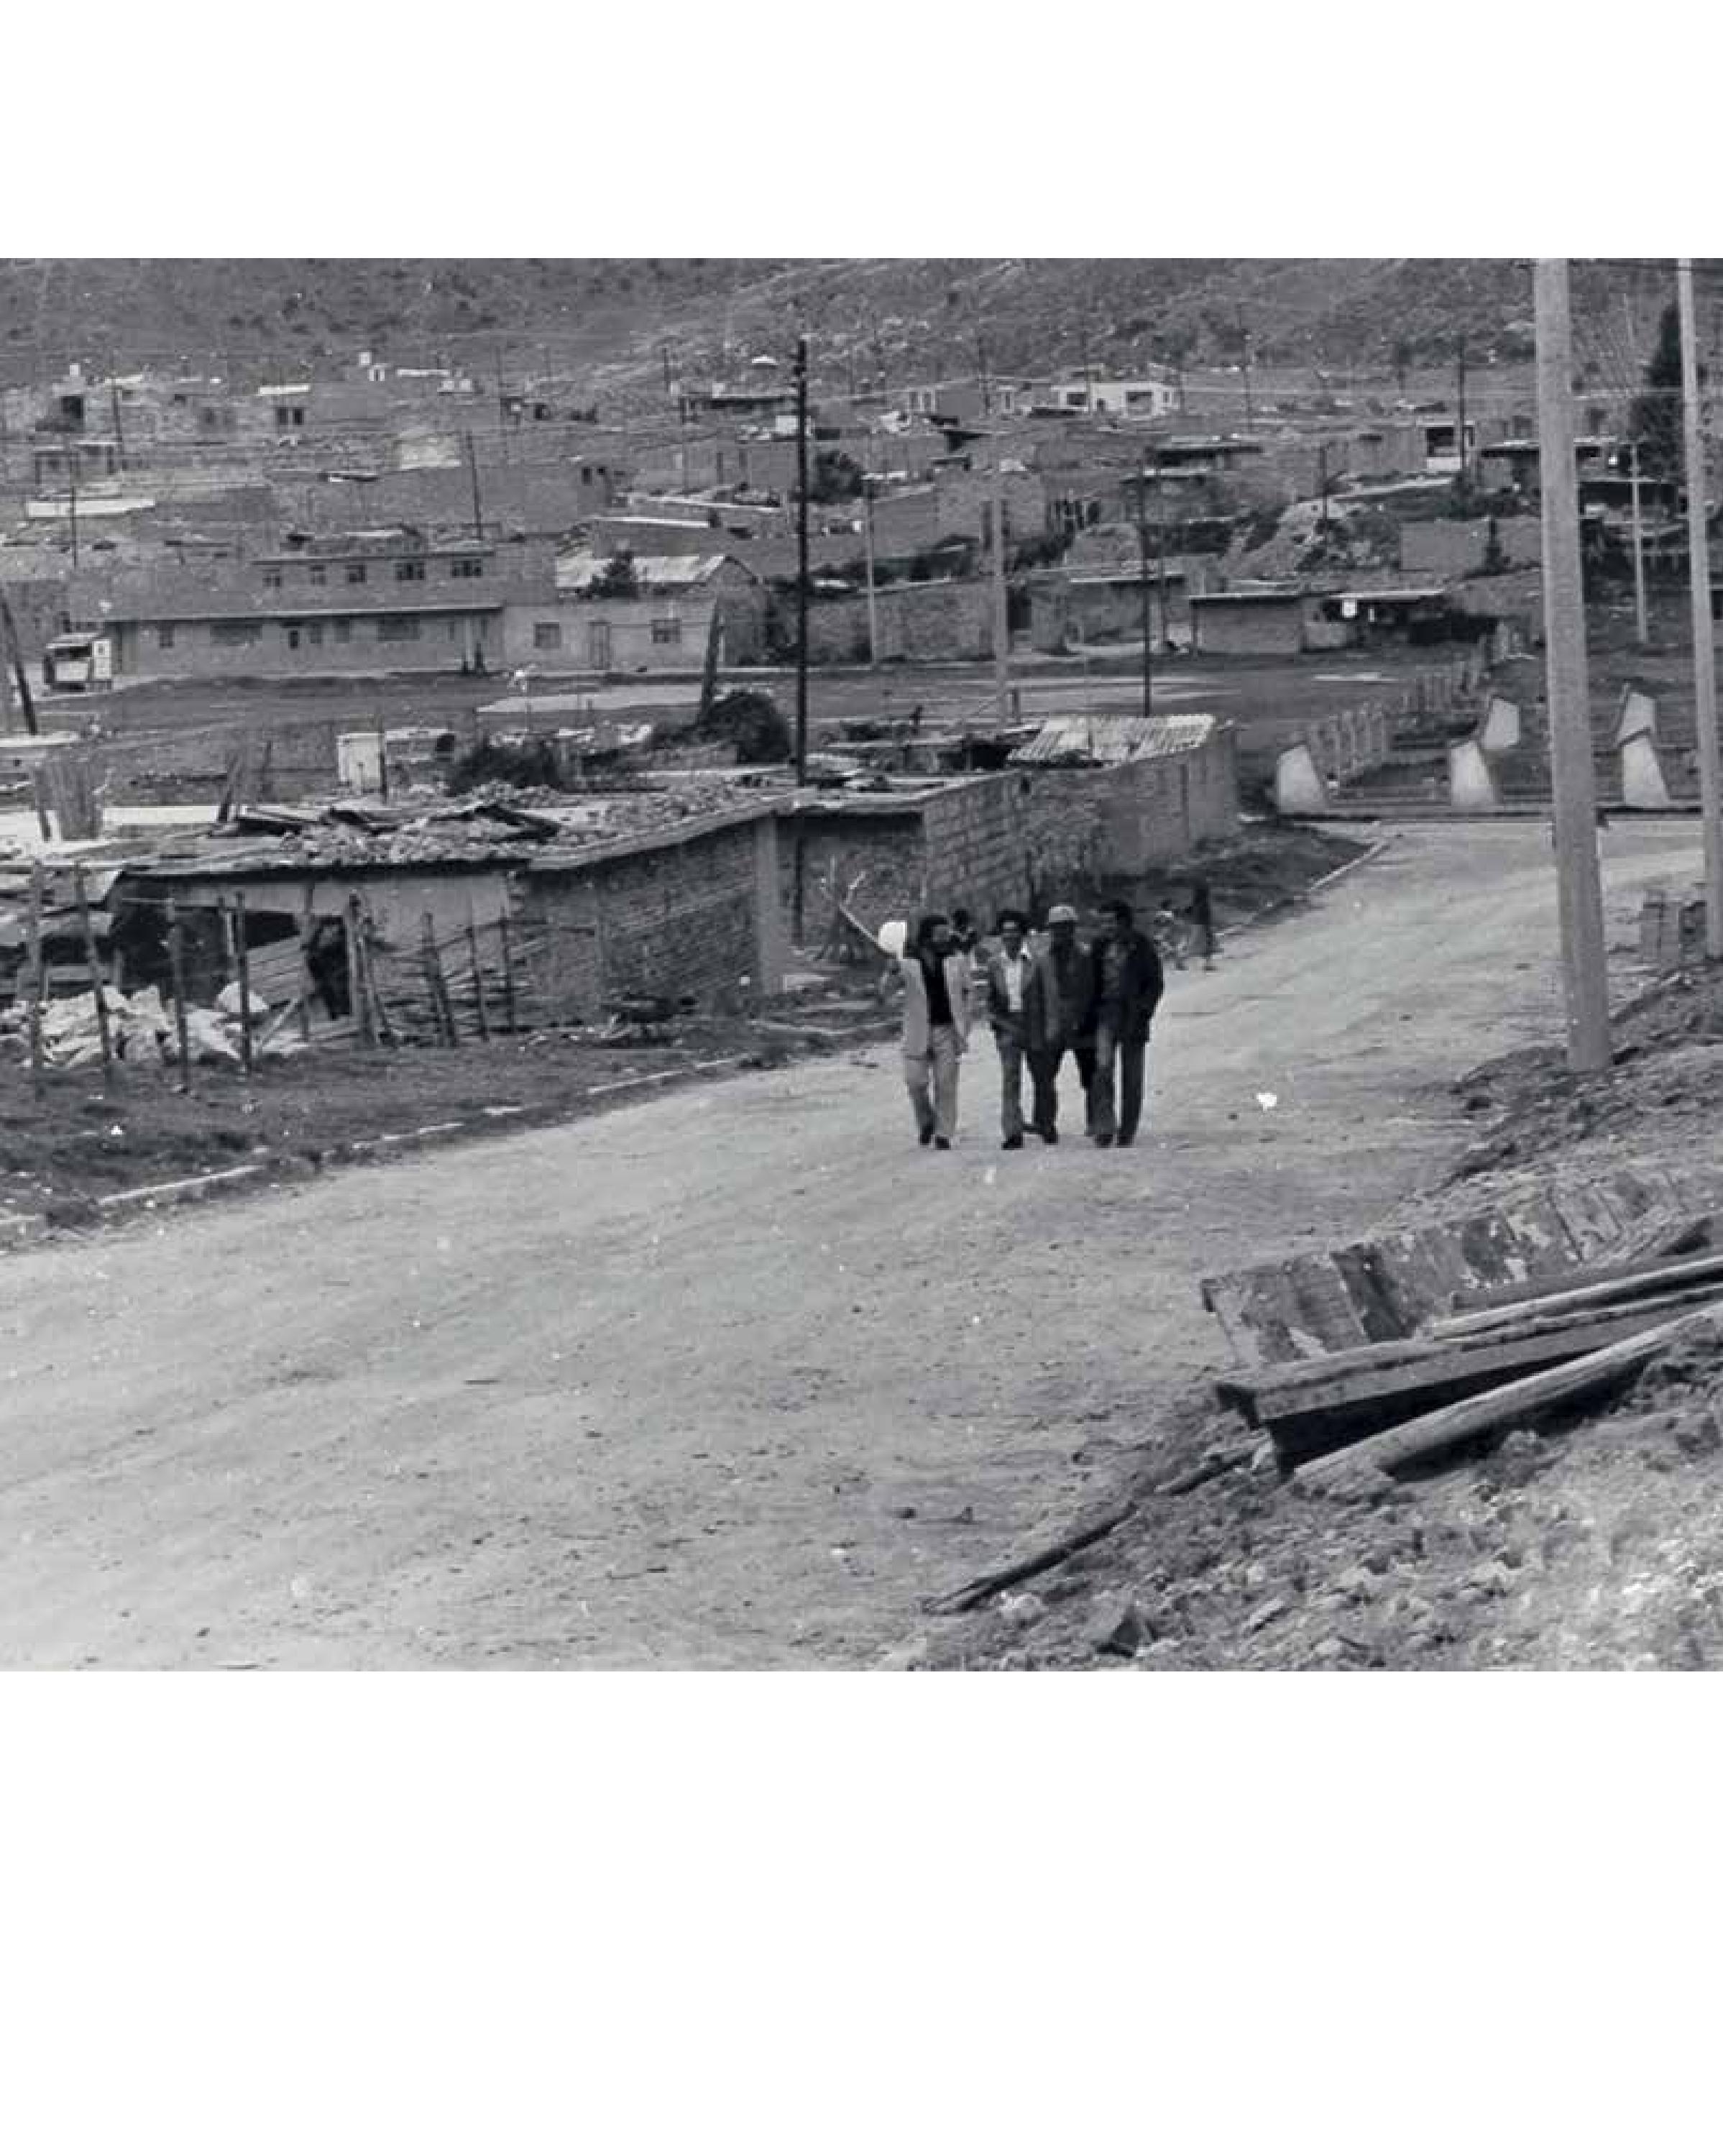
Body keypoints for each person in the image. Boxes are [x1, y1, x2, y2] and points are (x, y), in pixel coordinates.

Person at [883, 912, 971, 1151]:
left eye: (947, 935)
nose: (944, 940)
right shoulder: (907, 962)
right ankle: (926, 1122)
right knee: (915, 1083)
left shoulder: (957, 959)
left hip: (947, 1030)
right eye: (939, 936)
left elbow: (966, 992)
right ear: (926, 937)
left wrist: (964, 1027)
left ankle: (944, 1133)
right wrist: (891, 972)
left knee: (946, 1083)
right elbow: (886, 994)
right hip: (917, 1030)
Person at [1086, 898, 1164, 1150]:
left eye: (1110, 922)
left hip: (1133, 1015)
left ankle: (1128, 1130)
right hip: (1106, 1013)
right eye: (1102, 923)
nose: (1106, 927)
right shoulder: (1097, 948)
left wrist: (1144, 1009)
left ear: (1123, 922)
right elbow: (1088, 983)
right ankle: (1105, 1127)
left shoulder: (1140, 946)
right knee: (1102, 1068)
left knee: (1132, 1075)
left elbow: (1155, 982)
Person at [1024, 904, 1096, 1144]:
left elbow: (1093, 991)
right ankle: (1045, 1123)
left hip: (1083, 1023)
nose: (1061, 933)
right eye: (1056, 929)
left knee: (1090, 1074)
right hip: (1053, 1024)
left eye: (1066, 928)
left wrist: (1086, 1018)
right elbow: (1035, 997)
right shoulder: (1042, 960)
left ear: (1073, 929)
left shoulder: (1087, 956)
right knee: (1045, 1077)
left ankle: (1095, 1120)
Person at [982, 909, 1034, 1150]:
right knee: (1011, 1078)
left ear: (1023, 934)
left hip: (1035, 1024)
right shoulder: (994, 964)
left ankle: (1044, 1122)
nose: (1009, 937)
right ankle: (1012, 1132)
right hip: (1008, 1025)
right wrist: (999, 1024)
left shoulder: (1036, 960)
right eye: (1005, 932)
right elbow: (991, 1000)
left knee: (1042, 1078)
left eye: (1014, 932)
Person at [1187, 874, 1217, 971]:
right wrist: (1209, 926)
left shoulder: (1197, 902)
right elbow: (1205, 916)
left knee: (1204, 944)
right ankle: (1181, 959)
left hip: (1199, 924)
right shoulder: (1203, 904)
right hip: (1203, 925)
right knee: (1201, 944)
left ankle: (1208, 964)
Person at [1151, 896, 1186, 971]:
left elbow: (1155, 923)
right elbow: (1172, 923)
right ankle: (1179, 964)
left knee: (1164, 950)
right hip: (1166, 933)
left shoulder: (1158, 914)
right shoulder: (1169, 914)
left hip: (1160, 933)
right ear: (1168, 906)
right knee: (1173, 949)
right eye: (1170, 905)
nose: (1172, 906)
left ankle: (1178, 964)